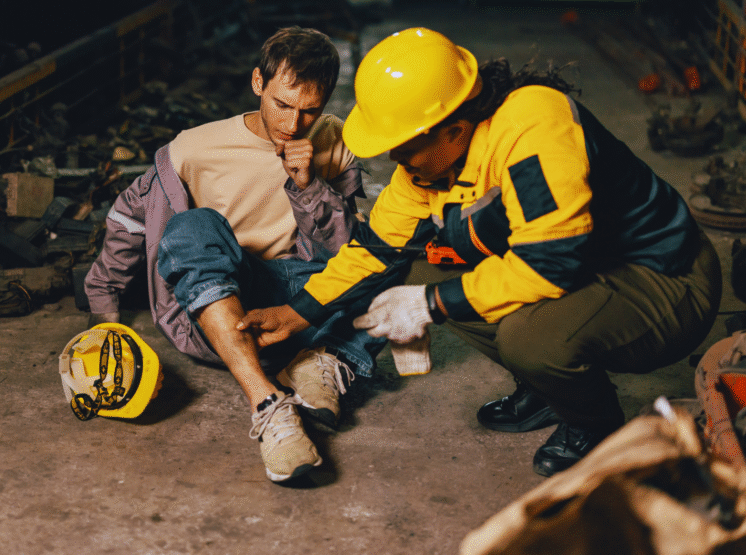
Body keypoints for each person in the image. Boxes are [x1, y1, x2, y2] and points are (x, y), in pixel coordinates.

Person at [238, 27, 722, 477]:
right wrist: (295, 312)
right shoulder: (426, 165)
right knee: (460, 299)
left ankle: (595, 425)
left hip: (665, 278)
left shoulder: (533, 126)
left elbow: (550, 263)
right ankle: (547, 392)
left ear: (452, 126)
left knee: (522, 337)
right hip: (589, 271)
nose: (394, 160)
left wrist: (429, 304)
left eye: (403, 146)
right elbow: (374, 250)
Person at [83, 26, 385, 483]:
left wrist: (308, 187)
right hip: (224, 308)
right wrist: (104, 310)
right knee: (191, 226)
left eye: (310, 111)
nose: (292, 124)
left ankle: (323, 363)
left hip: (303, 306)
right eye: (282, 104)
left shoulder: (333, 142)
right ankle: (268, 404)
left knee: (390, 256)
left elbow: (345, 251)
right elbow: (128, 220)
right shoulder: (194, 148)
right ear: (258, 84)